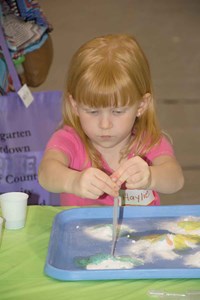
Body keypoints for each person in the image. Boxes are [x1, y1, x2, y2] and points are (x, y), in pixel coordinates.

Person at [38, 34, 184, 206]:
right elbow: (46, 173)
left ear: (141, 105)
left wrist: (151, 176)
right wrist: (73, 181)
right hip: (82, 232)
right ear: (75, 105)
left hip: (142, 232)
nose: (105, 125)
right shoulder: (69, 140)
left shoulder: (148, 142)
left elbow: (176, 179)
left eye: (117, 111)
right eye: (92, 111)